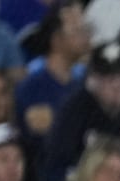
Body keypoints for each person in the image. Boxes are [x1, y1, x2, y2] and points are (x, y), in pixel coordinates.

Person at [17, 2, 91, 143]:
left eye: (85, 29)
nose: (85, 37)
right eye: (77, 30)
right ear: (56, 39)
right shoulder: (31, 86)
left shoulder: (85, 82)